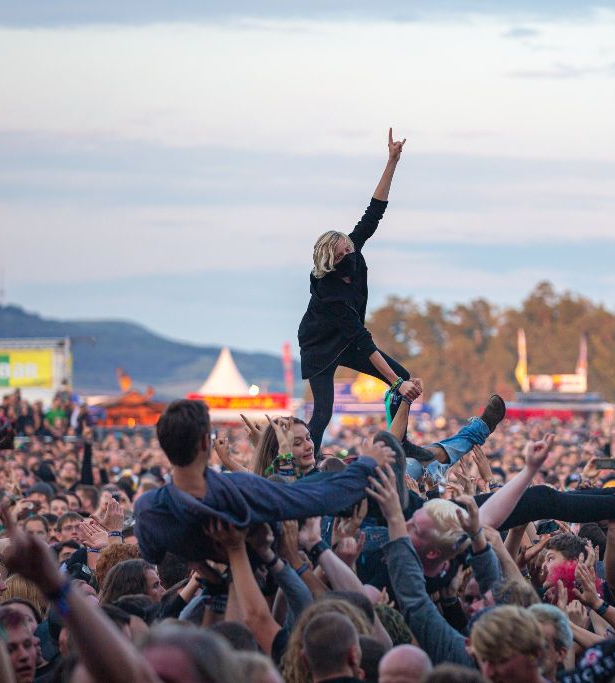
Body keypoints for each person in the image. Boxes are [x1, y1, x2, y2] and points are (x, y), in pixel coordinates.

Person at [132, 399, 398, 563]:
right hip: (262, 599)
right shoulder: (240, 491)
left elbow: (153, 557)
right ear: (205, 442)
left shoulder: (147, 509)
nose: (307, 445)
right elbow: (313, 498)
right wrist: (366, 463)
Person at [298, 128, 420, 446]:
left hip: (348, 339)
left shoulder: (355, 244)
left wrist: (392, 160)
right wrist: (395, 384)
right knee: (323, 413)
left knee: (403, 378)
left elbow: (375, 210)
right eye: (343, 254)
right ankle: (302, 466)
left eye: (349, 248)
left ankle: (399, 443)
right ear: (332, 261)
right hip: (320, 346)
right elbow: (363, 341)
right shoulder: (331, 293)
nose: (350, 253)